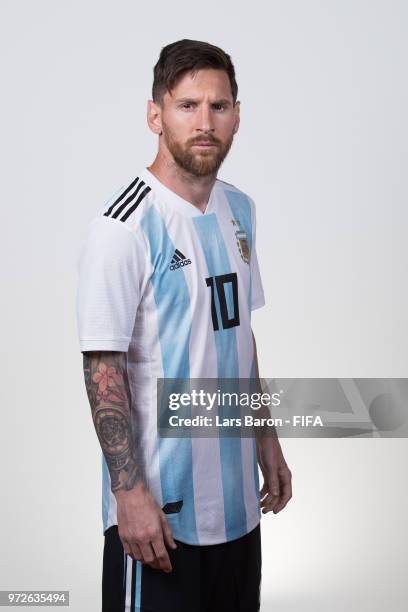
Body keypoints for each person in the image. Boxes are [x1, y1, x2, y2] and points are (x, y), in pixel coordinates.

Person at [76, 38, 292, 612]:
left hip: (238, 508)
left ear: (237, 117)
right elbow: (102, 367)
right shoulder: (123, 226)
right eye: (187, 105)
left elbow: (239, 335)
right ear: (155, 114)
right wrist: (129, 493)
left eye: (219, 107)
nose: (205, 122)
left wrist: (266, 437)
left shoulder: (239, 210)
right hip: (161, 517)